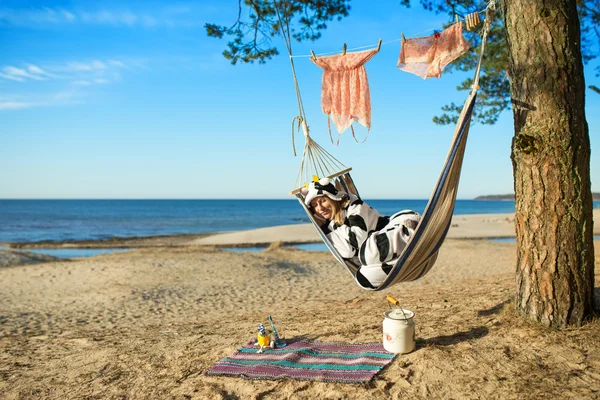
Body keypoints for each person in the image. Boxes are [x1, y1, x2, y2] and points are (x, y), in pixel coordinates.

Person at [301, 177, 420, 288]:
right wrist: (327, 231)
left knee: (367, 255)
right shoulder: (331, 227)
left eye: (322, 201)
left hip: (398, 222)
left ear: (333, 197)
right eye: (314, 205)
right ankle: (402, 264)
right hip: (385, 251)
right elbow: (347, 252)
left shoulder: (353, 203)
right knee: (363, 278)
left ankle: (409, 232)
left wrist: (336, 229)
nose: (320, 208)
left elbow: (358, 240)